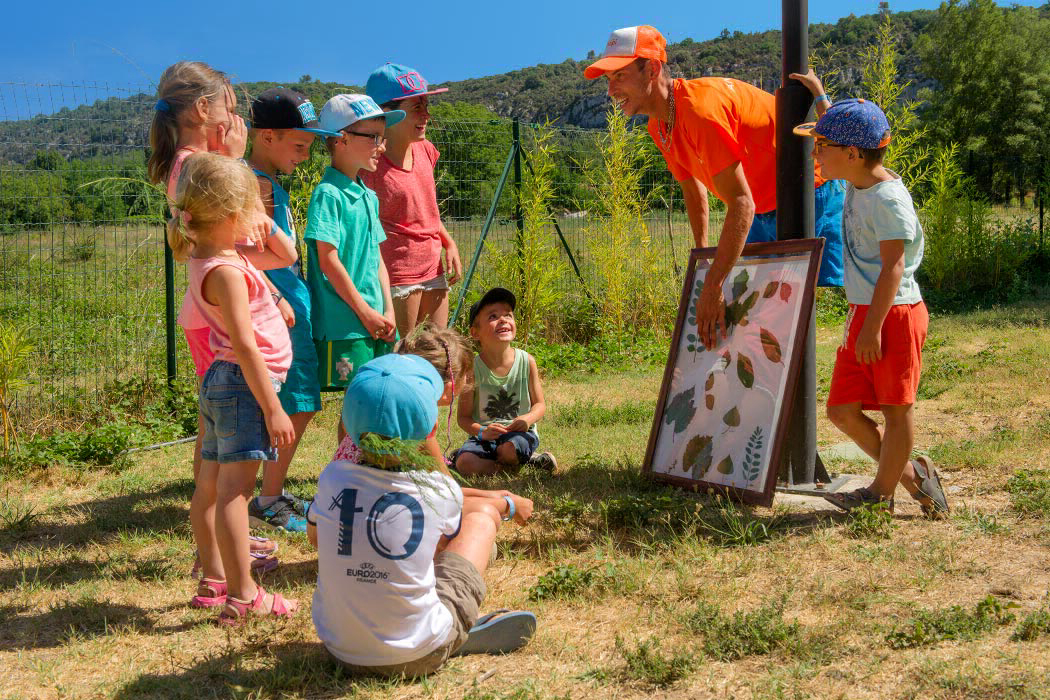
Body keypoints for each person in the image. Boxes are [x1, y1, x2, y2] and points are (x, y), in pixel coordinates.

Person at [583, 25, 845, 351]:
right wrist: (704, 261)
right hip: (761, 207)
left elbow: (740, 204)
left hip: (809, 191)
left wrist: (713, 285)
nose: (611, 91)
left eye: (618, 77)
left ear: (651, 69)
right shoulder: (660, 125)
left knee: (798, 309)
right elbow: (693, 191)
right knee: (758, 316)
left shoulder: (699, 110)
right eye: (608, 80)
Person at [307, 353, 535, 676]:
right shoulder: (437, 488)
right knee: (481, 520)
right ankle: (447, 634)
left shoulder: (332, 477)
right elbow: (444, 543)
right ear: (432, 426)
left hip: (339, 651)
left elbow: (314, 536)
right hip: (420, 652)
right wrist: (506, 505)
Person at [791, 92, 949, 518]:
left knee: (897, 410)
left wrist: (873, 326)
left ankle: (878, 496)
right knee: (841, 411)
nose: (816, 153)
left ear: (853, 153)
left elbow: (894, 267)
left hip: (893, 314)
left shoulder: (888, 199)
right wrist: (822, 97)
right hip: (865, 311)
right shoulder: (858, 176)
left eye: (822, 147)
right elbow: (846, 133)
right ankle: (912, 477)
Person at [148, 61, 278, 571]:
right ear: (204, 109)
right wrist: (238, 159)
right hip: (216, 323)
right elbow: (250, 229)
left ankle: (223, 550)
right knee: (218, 452)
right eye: (228, 106)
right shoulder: (195, 165)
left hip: (211, 313)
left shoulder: (189, 161)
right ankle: (220, 557)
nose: (234, 118)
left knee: (218, 448)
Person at [168, 152, 299, 621]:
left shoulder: (220, 256)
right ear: (229, 216)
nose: (257, 218)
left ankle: (217, 581)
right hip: (243, 385)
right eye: (250, 208)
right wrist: (273, 409)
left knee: (213, 486)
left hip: (221, 384)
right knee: (235, 493)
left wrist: (260, 219)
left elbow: (287, 255)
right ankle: (245, 596)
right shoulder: (226, 271)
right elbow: (245, 345)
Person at [245, 88, 339, 533]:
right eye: (299, 145)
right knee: (299, 402)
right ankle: (266, 499)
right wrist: (278, 296)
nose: (305, 155)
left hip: (284, 307)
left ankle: (270, 492)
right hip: (277, 312)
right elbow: (240, 253)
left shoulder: (264, 182)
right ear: (267, 137)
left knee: (296, 402)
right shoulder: (256, 185)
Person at [331, 323, 536, 519]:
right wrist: (505, 503)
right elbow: (447, 494)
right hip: (395, 515)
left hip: (345, 508)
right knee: (480, 520)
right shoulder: (418, 423)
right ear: (450, 386)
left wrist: (497, 494)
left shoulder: (369, 411)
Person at [304, 94, 401, 440]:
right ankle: (347, 473)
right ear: (342, 140)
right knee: (356, 400)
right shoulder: (328, 194)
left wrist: (387, 310)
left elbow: (376, 261)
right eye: (373, 137)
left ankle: (361, 469)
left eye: (383, 137)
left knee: (375, 395)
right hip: (347, 322)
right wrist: (364, 312)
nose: (381, 146)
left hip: (376, 319)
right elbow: (328, 260)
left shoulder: (368, 195)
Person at [361, 63, 463, 336]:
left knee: (438, 355)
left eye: (427, 106)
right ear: (387, 113)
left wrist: (448, 242)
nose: (426, 114)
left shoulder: (427, 150)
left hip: (434, 268)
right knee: (403, 357)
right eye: (417, 107)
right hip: (398, 276)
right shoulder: (369, 165)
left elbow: (426, 209)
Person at [454, 288, 555, 476]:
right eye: (493, 316)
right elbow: (464, 418)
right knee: (464, 463)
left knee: (508, 450)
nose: (503, 320)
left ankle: (510, 460)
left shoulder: (527, 361)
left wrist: (527, 419)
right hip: (484, 437)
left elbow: (540, 405)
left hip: (520, 435)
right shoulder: (472, 370)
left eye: (508, 315)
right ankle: (529, 463)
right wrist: (481, 431)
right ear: (475, 332)